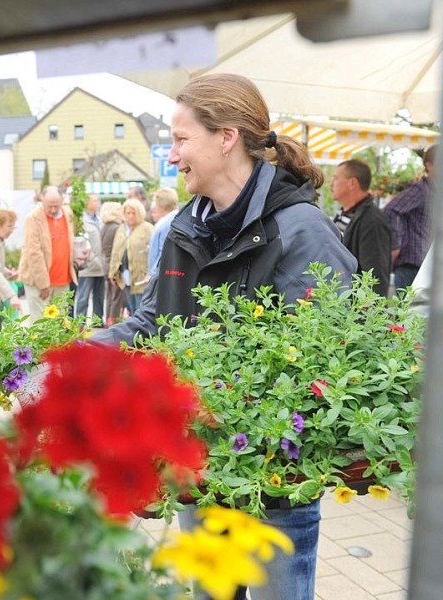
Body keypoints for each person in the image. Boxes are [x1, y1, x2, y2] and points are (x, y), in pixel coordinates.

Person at [92, 73, 357, 600]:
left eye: (181, 139)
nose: (172, 156)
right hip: (200, 472)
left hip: (274, 483)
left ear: (227, 136)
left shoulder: (300, 230)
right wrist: (76, 353)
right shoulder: (186, 227)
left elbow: (325, 363)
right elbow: (154, 321)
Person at [330, 159, 392, 296]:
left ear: (352, 183)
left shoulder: (372, 220)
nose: (331, 184)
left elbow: (375, 275)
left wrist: (370, 312)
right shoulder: (345, 214)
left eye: (335, 178)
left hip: (355, 311)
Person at [17, 185, 77, 321]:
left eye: (56, 206)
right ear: (42, 200)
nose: (53, 210)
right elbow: (33, 253)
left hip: (62, 279)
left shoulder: (68, 213)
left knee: (60, 323)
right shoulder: (33, 218)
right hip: (39, 281)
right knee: (41, 324)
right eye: (49, 206)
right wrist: (43, 284)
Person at [383, 144, 437, 291]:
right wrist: (397, 245)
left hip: (428, 267)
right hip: (412, 267)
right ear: (429, 165)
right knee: (406, 312)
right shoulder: (421, 189)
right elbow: (391, 210)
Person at [108, 198, 153, 314]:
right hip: (125, 275)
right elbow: (115, 251)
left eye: (134, 213)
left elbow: (155, 252)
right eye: (128, 213)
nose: (131, 216)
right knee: (130, 307)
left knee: (141, 308)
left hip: (141, 277)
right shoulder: (122, 228)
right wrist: (112, 272)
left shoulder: (147, 228)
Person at [74, 206, 105, 323]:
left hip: (100, 265)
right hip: (87, 264)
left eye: (97, 201)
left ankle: (97, 321)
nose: (96, 203)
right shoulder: (82, 221)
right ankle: (80, 322)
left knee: (99, 295)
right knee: (83, 295)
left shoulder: (99, 220)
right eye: (94, 201)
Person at [100, 201, 126, 326]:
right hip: (113, 265)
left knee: (110, 296)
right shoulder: (116, 228)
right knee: (116, 297)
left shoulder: (105, 227)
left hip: (105, 263)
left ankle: (108, 321)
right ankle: (113, 322)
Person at [146, 187, 180, 281]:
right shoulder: (175, 219)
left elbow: (163, 253)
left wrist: (152, 274)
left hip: (160, 277)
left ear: (162, 206)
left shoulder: (167, 224)